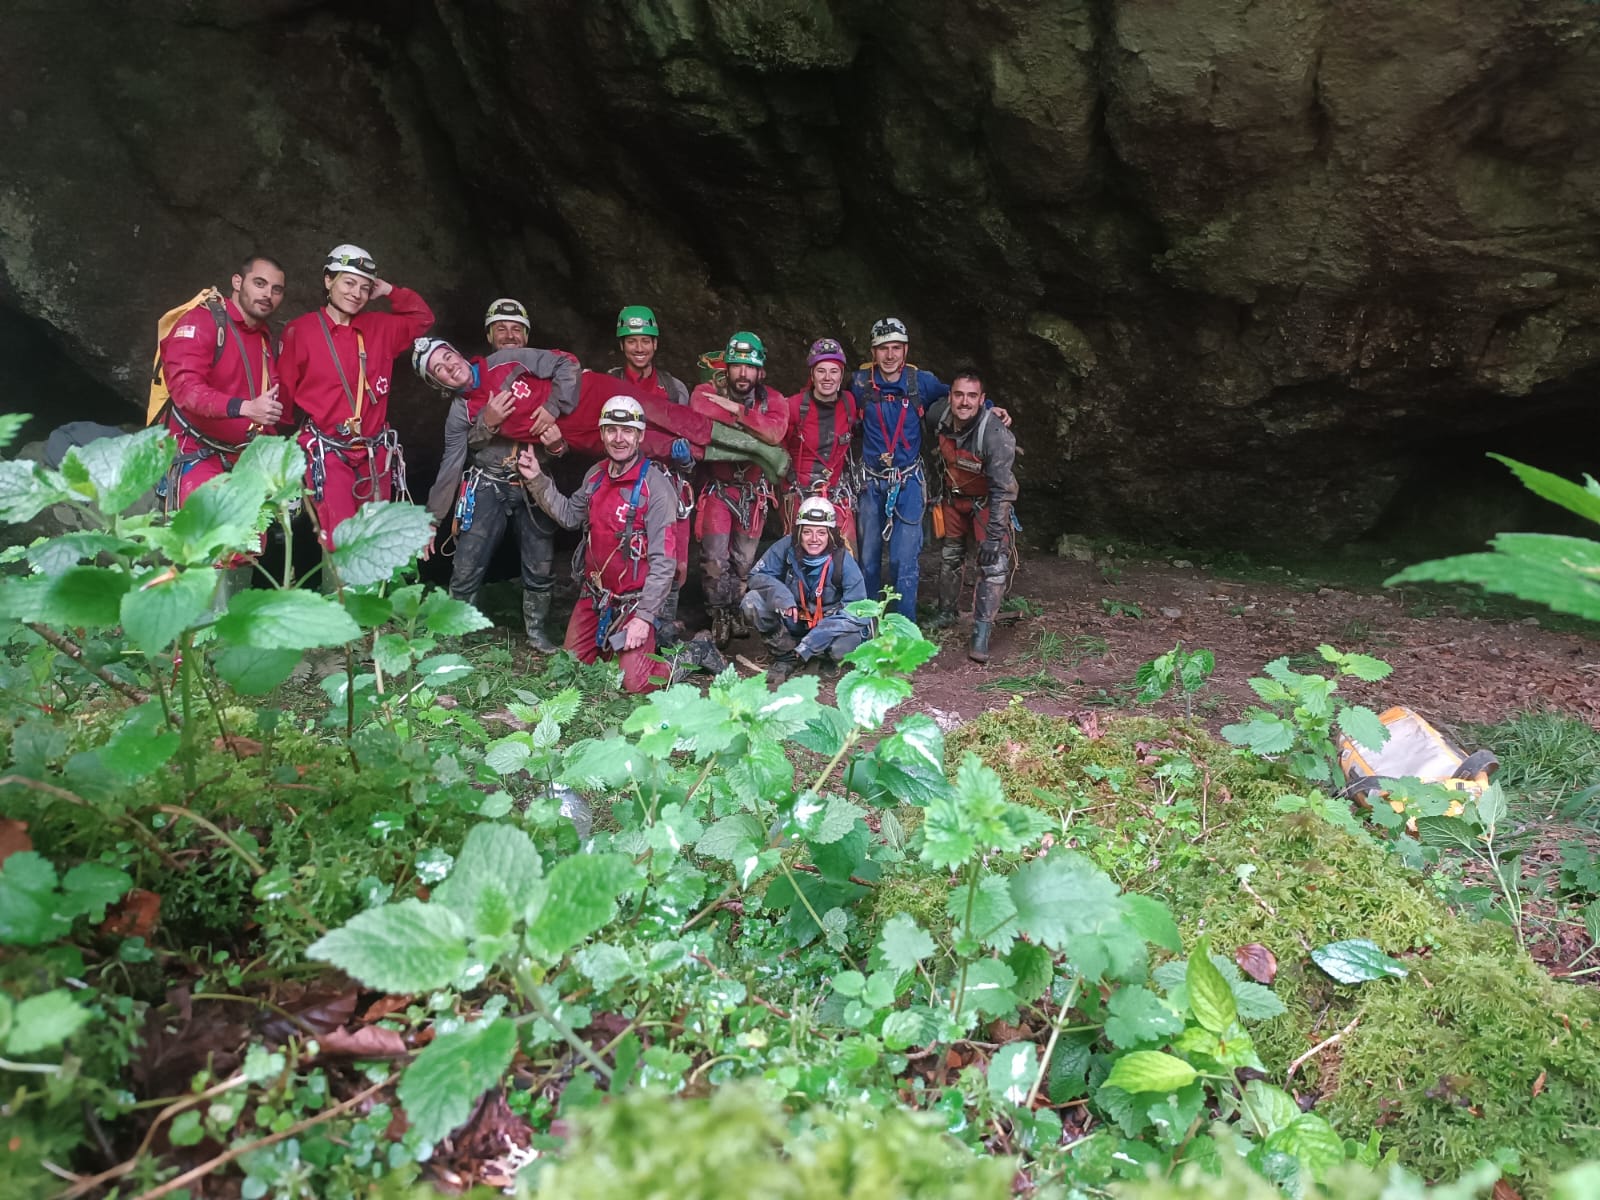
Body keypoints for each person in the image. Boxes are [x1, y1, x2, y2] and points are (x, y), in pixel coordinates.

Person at [417, 330, 580, 651]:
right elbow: (451, 465)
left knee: (540, 561)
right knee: (468, 559)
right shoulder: (460, 411)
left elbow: (566, 443)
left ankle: (537, 633)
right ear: (438, 384)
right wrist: (432, 521)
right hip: (487, 481)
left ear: (457, 352)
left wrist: (555, 425)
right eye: (439, 369)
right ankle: (455, 634)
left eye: (447, 356)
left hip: (533, 479)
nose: (449, 367)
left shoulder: (512, 366)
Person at [515, 396, 677, 694]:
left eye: (627, 431)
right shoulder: (595, 476)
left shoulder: (655, 488)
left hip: (633, 603)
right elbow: (568, 516)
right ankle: (619, 645)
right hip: (596, 598)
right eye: (611, 430)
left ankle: (685, 657)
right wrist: (537, 479)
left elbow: (665, 561)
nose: (619, 438)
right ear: (602, 434)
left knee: (635, 684)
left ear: (639, 436)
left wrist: (643, 618)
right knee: (570, 671)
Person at [276, 244, 433, 549]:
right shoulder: (301, 331)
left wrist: (388, 290)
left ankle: (368, 596)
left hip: (374, 454)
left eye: (364, 287)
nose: (356, 293)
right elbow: (283, 396)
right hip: (328, 451)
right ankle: (341, 596)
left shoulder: (380, 327)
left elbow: (422, 318)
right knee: (342, 539)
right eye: (348, 282)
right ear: (328, 280)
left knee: (375, 540)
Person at [157, 254, 286, 509]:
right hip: (198, 455)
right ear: (237, 282)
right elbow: (186, 390)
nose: (268, 294)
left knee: (250, 547)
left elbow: (267, 405)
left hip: (246, 461)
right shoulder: (202, 321)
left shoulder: (262, 336)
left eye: (276, 289)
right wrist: (245, 408)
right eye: (259, 283)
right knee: (216, 543)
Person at [692, 331, 788, 646]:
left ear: (760, 371)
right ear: (727, 368)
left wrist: (736, 412)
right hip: (720, 490)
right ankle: (718, 613)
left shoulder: (772, 399)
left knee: (743, 561)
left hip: (751, 493)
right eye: (736, 366)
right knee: (715, 559)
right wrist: (753, 432)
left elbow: (775, 433)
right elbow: (700, 407)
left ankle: (735, 609)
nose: (742, 374)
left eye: (749, 367)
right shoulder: (708, 391)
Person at [609, 305, 694, 643]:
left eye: (646, 341)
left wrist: (683, 458)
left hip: (666, 483)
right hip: (621, 484)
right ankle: (616, 627)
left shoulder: (674, 390)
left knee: (668, 558)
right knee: (619, 551)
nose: (639, 348)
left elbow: (693, 453)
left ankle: (660, 633)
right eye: (632, 342)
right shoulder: (608, 383)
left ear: (656, 344)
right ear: (622, 345)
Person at [925, 367, 1019, 663]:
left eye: (972, 396)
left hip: (986, 502)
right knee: (950, 555)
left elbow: (1004, 490)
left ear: (982, 400)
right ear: (950, 396)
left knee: (994, 564)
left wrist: (994, 537)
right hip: (952, 499)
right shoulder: (936, 415)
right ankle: (946, 612)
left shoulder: (995, 435)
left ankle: (981, 631)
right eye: (958, 394)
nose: (964, 402)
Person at [741, 496, 870, 683]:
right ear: (799, 532)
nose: (814, 539)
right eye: (807, 532)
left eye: (821, 533)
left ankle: (822, 658)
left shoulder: (843, 560)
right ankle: (786, 657)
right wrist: (782, 596)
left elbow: (859, 610)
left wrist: (815, 640)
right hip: (795, 619)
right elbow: (756, 577)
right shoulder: (786, 547)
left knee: (844, 646)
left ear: (831, 535)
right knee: (751, 601)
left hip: (827, 626)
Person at [784, 337, 859, 552]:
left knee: (846, 555)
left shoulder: (849, 403)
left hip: (836, 492)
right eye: (821, 371)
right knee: (801, 555)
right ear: (812, 375)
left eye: (834, 371)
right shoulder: (795, 406)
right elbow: (778, 447)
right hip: (801, 491)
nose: (828, 378)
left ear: (841, 375)